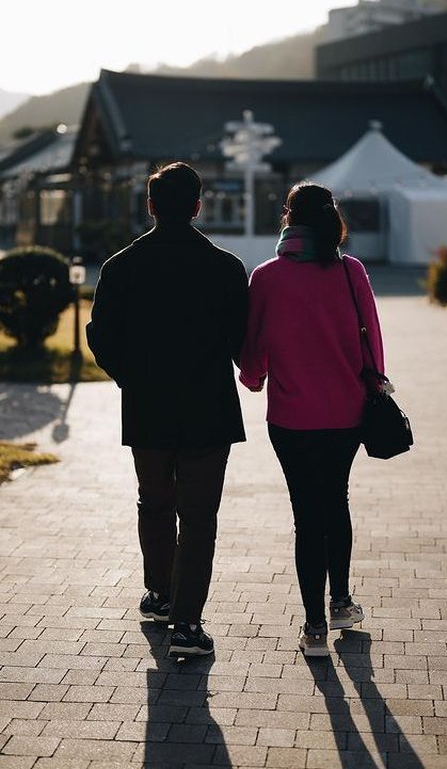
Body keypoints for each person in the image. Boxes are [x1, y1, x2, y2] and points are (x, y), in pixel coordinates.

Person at [86, 162, 248, 656]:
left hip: (148, 407)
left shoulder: (120, 267)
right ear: (199, 206)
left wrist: (132, 379)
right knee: (198, 518)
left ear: (151, 205)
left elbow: (101, 338)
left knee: (153, 504)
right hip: (208, 408)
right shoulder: (225, 267)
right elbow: (241, 339)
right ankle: (186, 624)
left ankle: (159, 593)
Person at [239, 182, 385, 657]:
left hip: (291, 414)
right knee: (336, 502)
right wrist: (376, 384)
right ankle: (341, 602)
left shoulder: (265, 276)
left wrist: (255, 377)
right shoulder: (350, 271)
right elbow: (372, 340)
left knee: (307, 515)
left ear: (288, 219)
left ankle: (314, 628)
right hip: (346, 411)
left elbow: (254, 343)